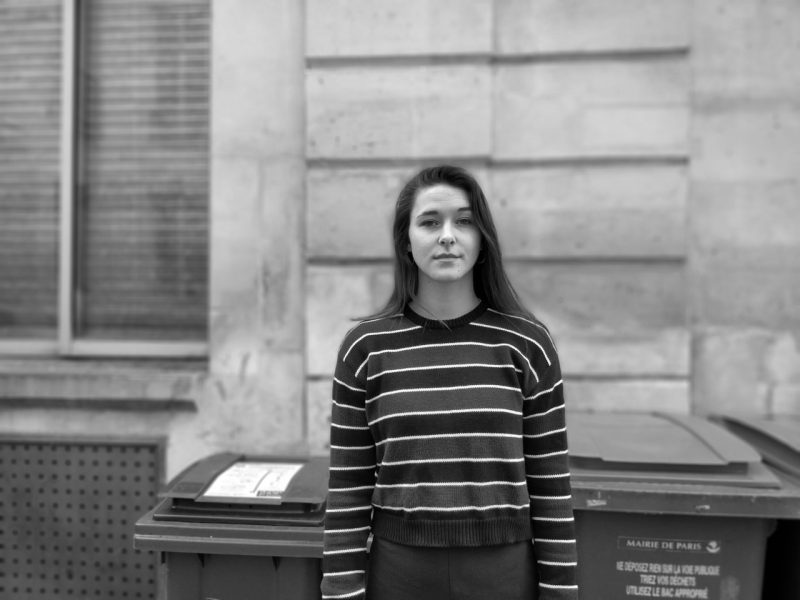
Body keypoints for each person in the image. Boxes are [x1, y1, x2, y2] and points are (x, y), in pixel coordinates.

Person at [321, 165, 579, 600]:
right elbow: (348, 487)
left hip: (503, 575)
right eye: (429, 222)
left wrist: (561, 593)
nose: (447, 236)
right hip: (398, 574)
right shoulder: (365, 348)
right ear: (406, 240)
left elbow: (551, 486)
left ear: (482, 238)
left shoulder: (527, 343)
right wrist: (341, 593)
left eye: (463, 221)